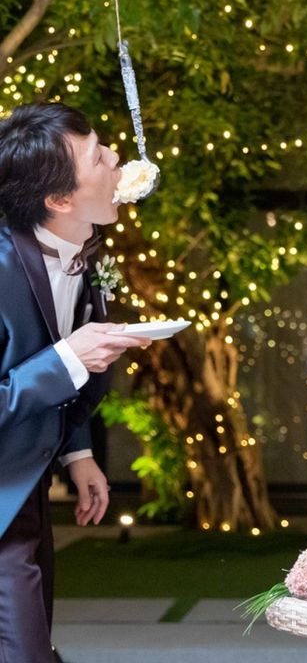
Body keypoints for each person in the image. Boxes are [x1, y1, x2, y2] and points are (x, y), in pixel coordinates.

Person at [0, 102, 151, 663]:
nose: (116, 159)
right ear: (59, 200)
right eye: (97, 156)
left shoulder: (86, 257)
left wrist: (77, 452)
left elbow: (70, 375)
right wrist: (67, 357)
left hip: (28, 491)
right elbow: (54, 363)